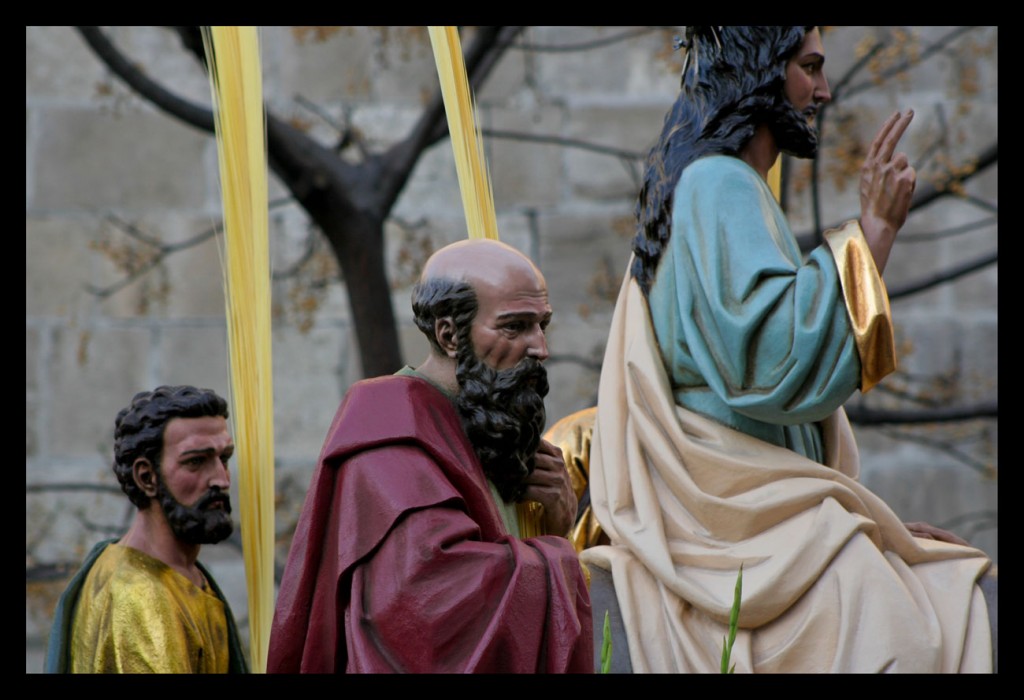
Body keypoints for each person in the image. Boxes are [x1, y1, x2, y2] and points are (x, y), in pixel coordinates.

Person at [579, 26, 995, 673]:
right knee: (905, 631)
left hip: (760, 492)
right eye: (810, 67)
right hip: (733, 508)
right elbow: (769, 359)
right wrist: (873, 234)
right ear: (760, 68)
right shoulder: (719, 183)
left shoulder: (722, 184)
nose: (823, 90)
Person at [267, 238, 593, 673]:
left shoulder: (491, 423)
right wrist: (559, 557)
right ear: (449, 334)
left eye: (542, 325)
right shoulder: (389, 438)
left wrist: (556, 526)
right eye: (515, 327)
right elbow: (430, 611)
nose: (540, 348)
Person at [45, 385, 249, 673]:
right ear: (146, 477)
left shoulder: (187, 575)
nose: (221, 480)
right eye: (196, 462)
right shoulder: (140, 598)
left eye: (224, 458)